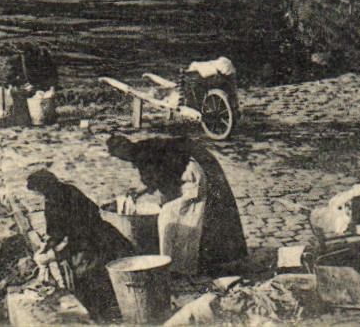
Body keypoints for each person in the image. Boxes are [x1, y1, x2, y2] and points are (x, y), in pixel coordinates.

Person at [106, 133, 247, 275]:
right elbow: (162, 177)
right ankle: (190, 261)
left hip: (195, 172)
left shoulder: (143, 156)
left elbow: (164, 183)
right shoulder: (143, 147)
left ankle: (180, 265)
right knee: (186, 214)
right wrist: (142, 191)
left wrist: (145, 193)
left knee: (175, 217)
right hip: (197, 162)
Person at [26, 170, 134, 320]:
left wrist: (52, 256)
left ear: (44, 187)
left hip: (96, 241)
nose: (40, 196)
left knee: (90, 275)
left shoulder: (64, 197)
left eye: (39, 191)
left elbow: (77, 239)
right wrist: (47, 244)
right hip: (90, 237)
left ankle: (104, 314)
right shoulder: (59, 194)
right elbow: (56, 231)